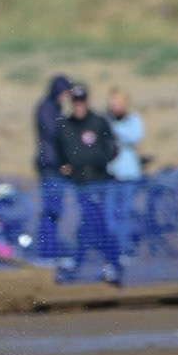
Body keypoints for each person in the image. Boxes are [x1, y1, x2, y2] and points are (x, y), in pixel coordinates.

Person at [55, 84, 120, 284]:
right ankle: (77, 264)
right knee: (85, 225)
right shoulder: (65, 126)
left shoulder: (99, 122)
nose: (78, 105)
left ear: (87, 101)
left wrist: (97, 161)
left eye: (81, 101)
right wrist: (64, 166)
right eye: (75, 101)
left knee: (102, 225)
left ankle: (111, 265)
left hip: (101, 182)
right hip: (79, 184)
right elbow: (59, 152)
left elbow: (113, 148)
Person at [34, 75, 72, 261]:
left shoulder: (54, 108)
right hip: (50, 167)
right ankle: (46, 253)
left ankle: (50, 251)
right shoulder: (47, 108)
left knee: (54, 212)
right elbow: (54, 133)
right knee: (51, 211)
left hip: (54, 166)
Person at [105, 89, 145, 257]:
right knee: (109, 213)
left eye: (118, 101)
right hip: (110, 174)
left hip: (128, 175)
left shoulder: (133, 119)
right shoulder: (104, 119)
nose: (115, 105)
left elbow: (134, 136)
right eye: (112, 101)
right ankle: (111, 248)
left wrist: (114, 127)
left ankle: (123, 248)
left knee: (124, 214)